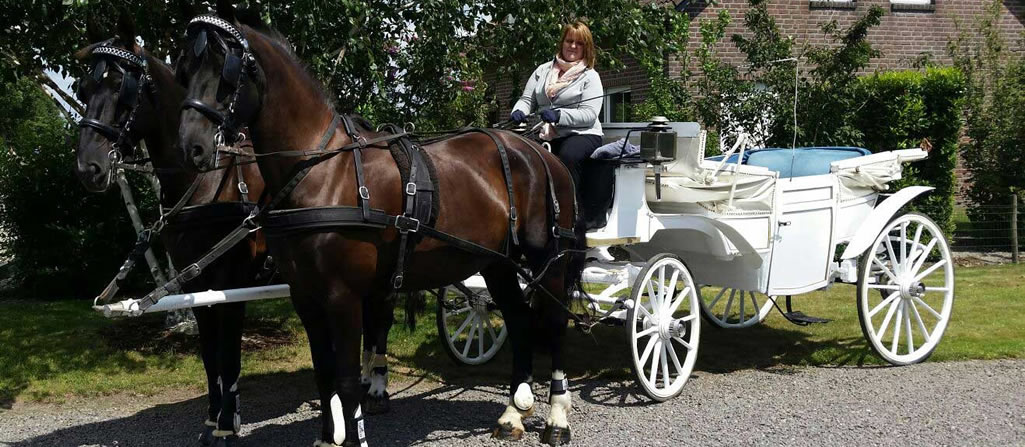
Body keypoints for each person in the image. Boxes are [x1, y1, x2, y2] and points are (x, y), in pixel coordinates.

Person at [510, 21, 607, 228]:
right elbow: (527, 100)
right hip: (546, 133)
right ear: (562, 43)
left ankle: (569, 215)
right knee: (516, 153)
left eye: (579, 43)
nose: (572, 46)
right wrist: (519, 111)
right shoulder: (542, 71)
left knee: (567, 158)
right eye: (569, 41)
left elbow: (589, 115)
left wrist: (558, 115)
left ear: (586, 48)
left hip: (582, 133)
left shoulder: (590, 77)